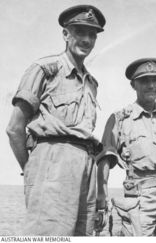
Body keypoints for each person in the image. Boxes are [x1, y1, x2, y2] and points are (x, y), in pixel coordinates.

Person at [6, 5, 106, 236]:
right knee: (49, 236)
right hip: (52, 164)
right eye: (80, 31)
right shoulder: (44, 69)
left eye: (92, 34)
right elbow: (14, 129)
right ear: (65, 34)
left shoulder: (92, 83)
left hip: (86, 165)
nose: (87, 39)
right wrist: (31, 169)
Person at [96, 58, 156, 236]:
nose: (151, 86)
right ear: (133, 85)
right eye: (144, 81)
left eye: (155, 80)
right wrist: (101, 200)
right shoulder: (119, 119)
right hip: (140, 201)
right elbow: (104, 159)